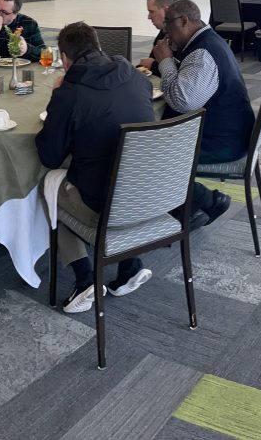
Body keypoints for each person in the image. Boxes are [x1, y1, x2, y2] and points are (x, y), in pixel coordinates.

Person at [32, 22, 163, 312]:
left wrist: (58, 97)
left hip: (106, 204)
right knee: (111, 161)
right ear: (99, 46)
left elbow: (50, 157)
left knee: (50, 185)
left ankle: (85, 277)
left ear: (64, 58)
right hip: (153, 191)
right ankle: (130, 263)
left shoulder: (70, 93)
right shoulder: (134, 76)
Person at [147, 0, 240, 226]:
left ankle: (209, 200)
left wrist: (166, 61)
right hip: (224, 128)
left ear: (184, 22)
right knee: (147, 145)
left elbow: (182, 101)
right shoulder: (205, 42)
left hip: (221, 141)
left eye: (168, 25)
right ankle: (182, 206)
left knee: (144, 154)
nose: (166, 31)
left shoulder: (203, 53)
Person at [139, 0, 180, 67]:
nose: (149, 17)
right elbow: (152, 59)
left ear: (166, 10)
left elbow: (180, 71)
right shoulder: (164, 31)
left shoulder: (181, 36)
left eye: (152, 12)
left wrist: (153, 65)